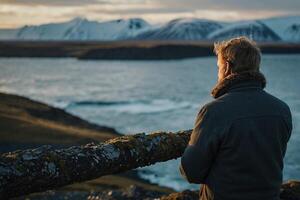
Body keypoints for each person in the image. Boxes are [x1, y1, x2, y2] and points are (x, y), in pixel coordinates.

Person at [179, 36, 293, 200]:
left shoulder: (213, 111)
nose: (218, 73)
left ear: (226, 67)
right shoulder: (281, 110)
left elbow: (191, 172)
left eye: (218, 67)